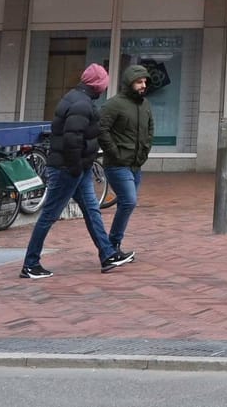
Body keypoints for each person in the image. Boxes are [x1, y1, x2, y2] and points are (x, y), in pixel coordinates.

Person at [20, 64, 134, 279]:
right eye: (103, 84)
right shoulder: (81, 104)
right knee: (49, 215)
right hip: (69, 168)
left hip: (77, 167)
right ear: (97, 85)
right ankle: (30, 263)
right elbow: (73, 138)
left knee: (92, 210)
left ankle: (107, 253)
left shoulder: (76, 98)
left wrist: (80, 166)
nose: (104, 89)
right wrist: (75, 167)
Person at [98, 64, 154, 259]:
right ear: (129, 83)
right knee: (129, 201)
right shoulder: (113, 105)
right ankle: (111, 244)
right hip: (117, 164)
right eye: (139, 82)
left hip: (136, 164)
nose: (143, 85)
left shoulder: (145, 104)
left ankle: (113, 246)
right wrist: (115, 152)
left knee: (126, 203)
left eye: (145, 81)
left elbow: (149, 129)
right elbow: (101, 130)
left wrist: (145, 151)